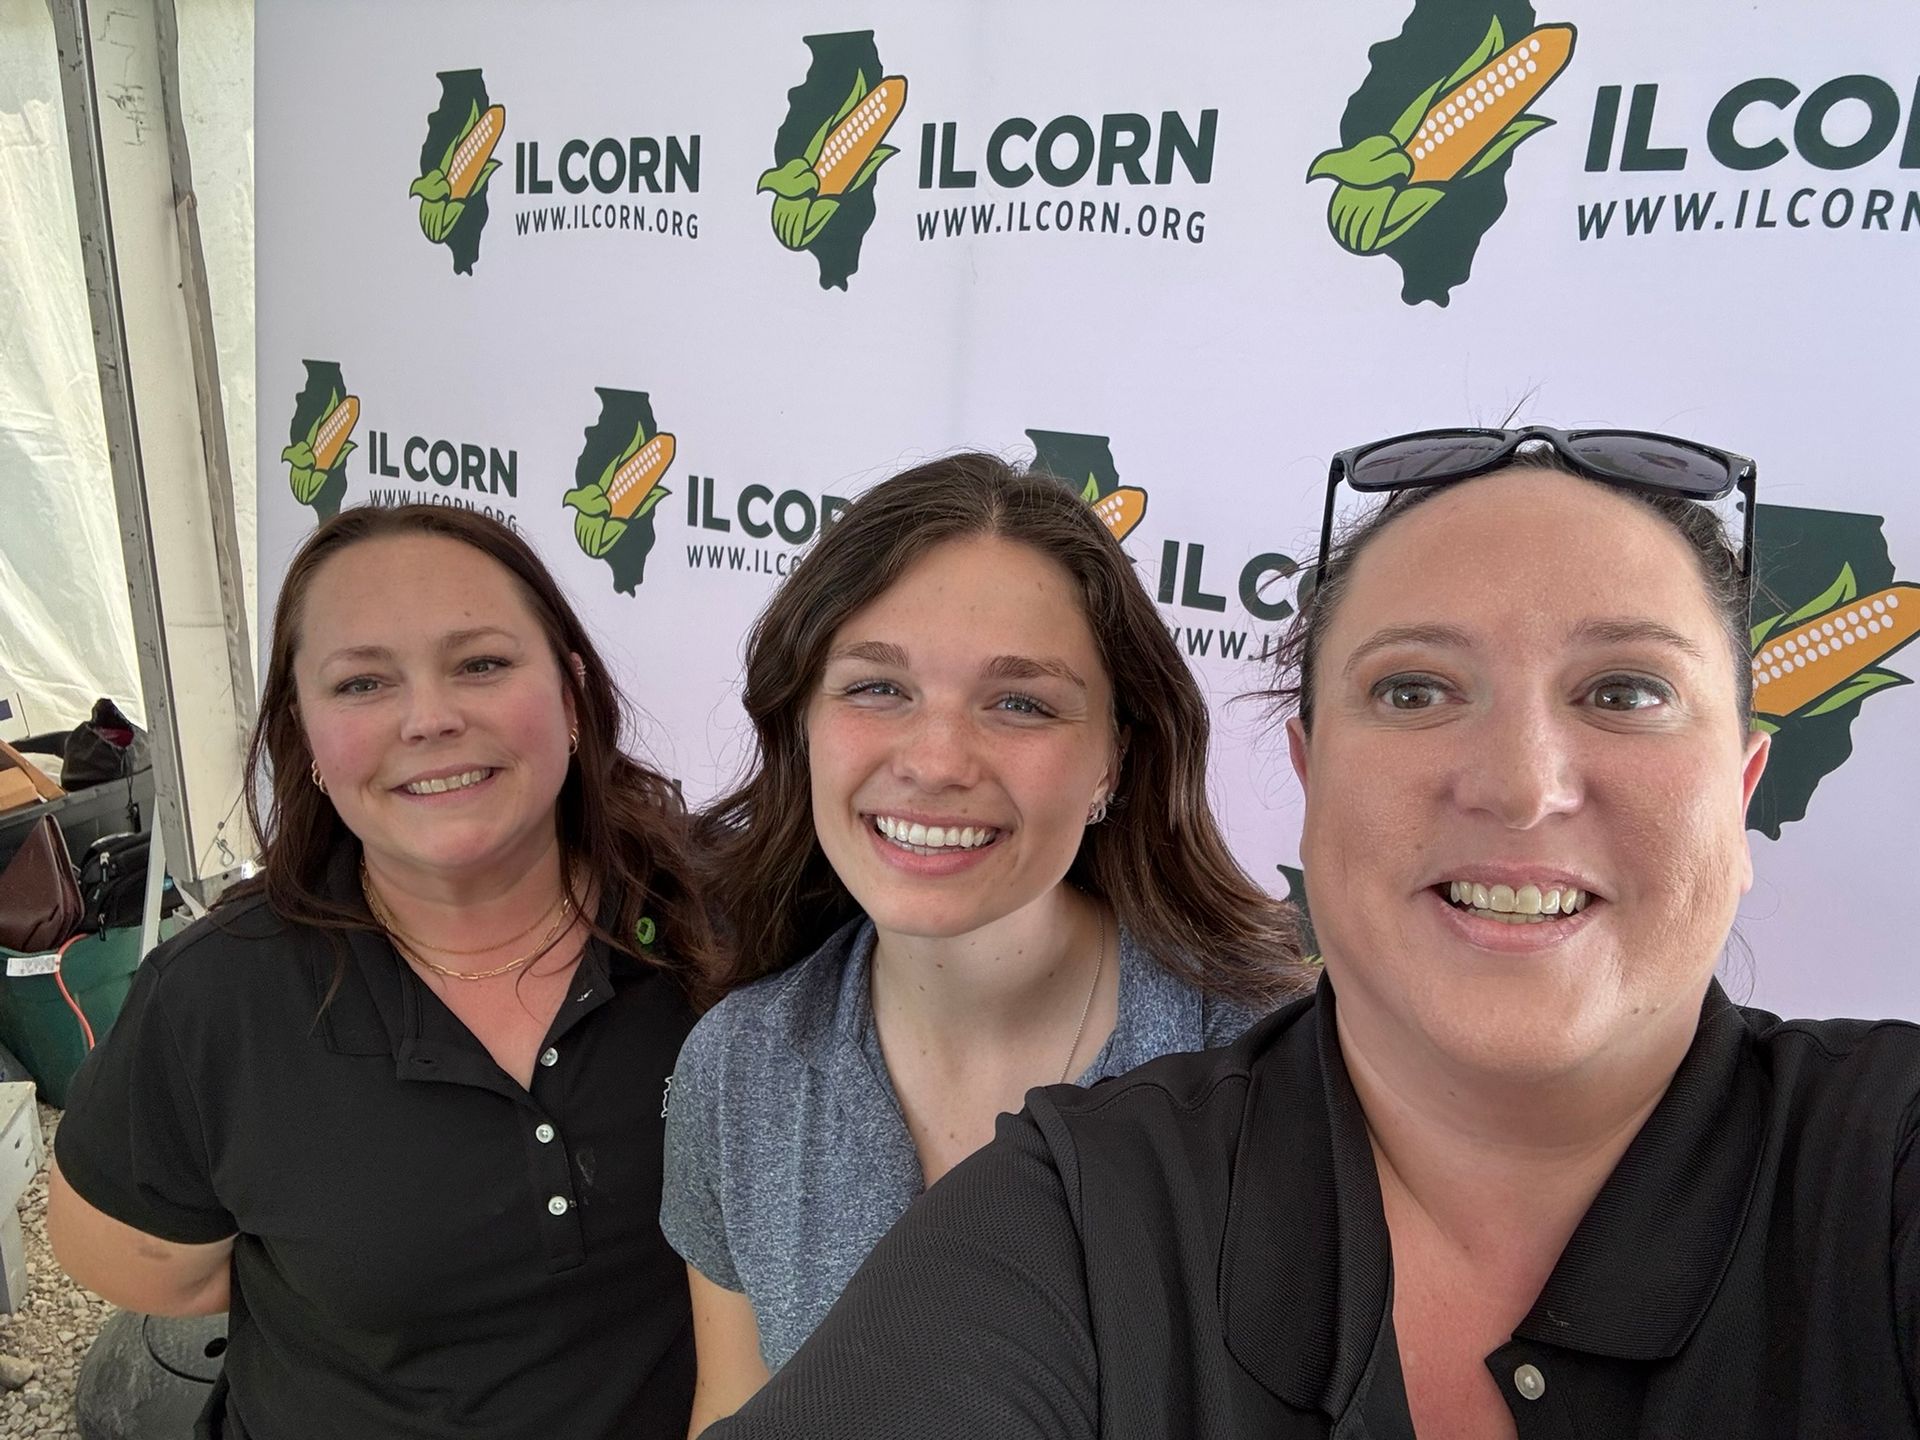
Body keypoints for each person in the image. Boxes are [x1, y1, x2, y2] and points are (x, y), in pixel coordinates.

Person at [702, 427, 1920, 1439]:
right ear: (1309, 770)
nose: (1518, 781)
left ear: (1745, 788)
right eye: (1414, 689)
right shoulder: (1083, 1202)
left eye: (1625, 692)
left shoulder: (1882, 1167)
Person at [662, 452, 1309, 1430]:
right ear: (802, 723)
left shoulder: (1274, 1074)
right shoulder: (738, 1066)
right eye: (878, 687)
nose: (935, 761)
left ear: (1114, 761)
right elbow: (736, 1406)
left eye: (1020, 703)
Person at [49, 503, 717, 1440]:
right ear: (308, 736)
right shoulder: (215, 998)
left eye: (481, 663)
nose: (431, 719)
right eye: (363, 683)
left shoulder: (716, 939)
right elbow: (144, 1264)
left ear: (570, 694)